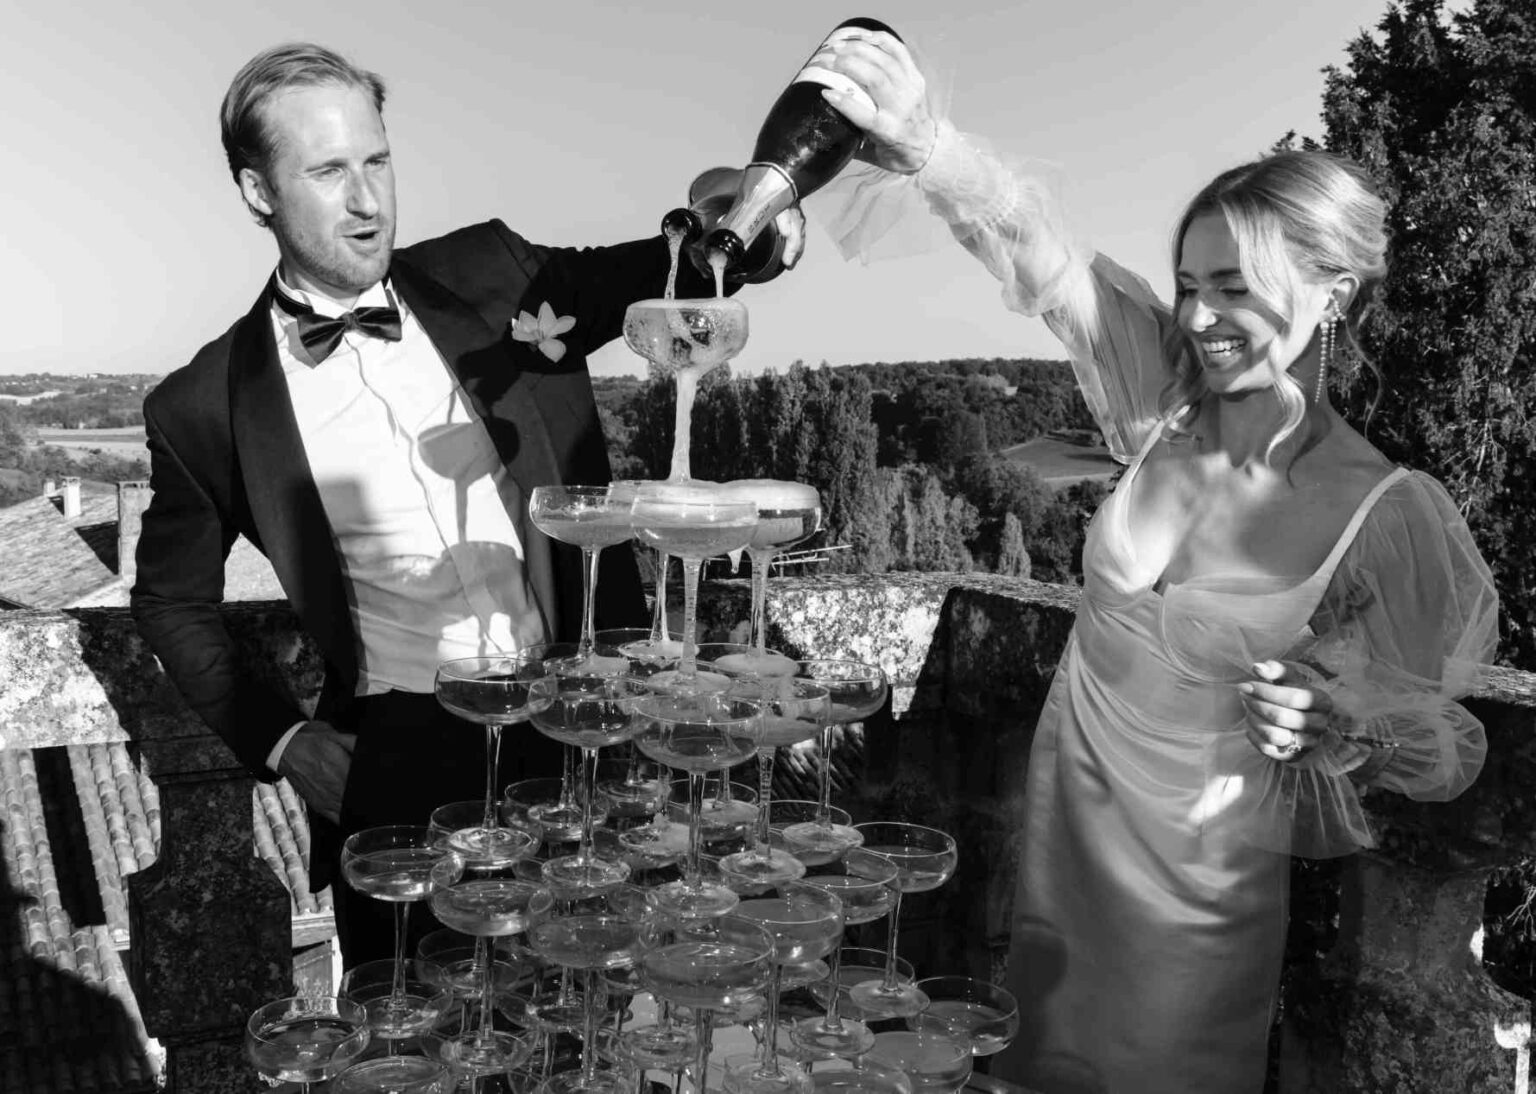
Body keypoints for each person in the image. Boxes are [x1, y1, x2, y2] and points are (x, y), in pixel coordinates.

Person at [811, 30, 1501, 1094]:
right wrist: (933, 145)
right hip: (1070, 815)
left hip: (1204, 880)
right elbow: (1044, 252)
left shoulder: (1383, 508)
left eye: (1235, 287)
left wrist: (1341, 727)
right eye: (1190, 284)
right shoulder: (1162, 399)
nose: (1201, 318)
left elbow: (1439, 746)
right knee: (1036, 1059)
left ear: (1334, 293)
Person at [129, 42, 802, 968]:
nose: (367, 200)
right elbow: (169, 601)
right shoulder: (202, 406)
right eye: (328, 171)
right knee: (420, 1036)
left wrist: (754, 226)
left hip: (579, 725)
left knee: (592, 1019)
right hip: (402, 761)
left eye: (377, 160)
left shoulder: (494, 273)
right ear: (257, 192)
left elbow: (677, 270)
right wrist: (282, 740)